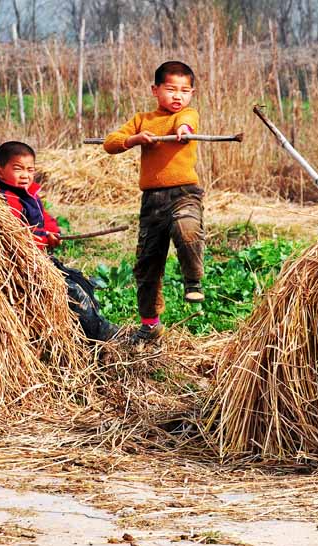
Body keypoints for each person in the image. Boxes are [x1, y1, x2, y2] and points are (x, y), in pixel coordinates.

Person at [103, 60, 205, 344]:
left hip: (184, 193)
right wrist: (135, 139)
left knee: (187, 229)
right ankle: (150, 325)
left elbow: (187, 124)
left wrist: (183, 132)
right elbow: (111, 142)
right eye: (171, 89)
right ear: (155, 90)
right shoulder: (143, 119)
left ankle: (193, 280)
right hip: (152, 202)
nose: (177, 96)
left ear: (191, 94)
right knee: (147, 265)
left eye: (184, 90)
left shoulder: (187, 116)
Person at [0, 141, 119, 342]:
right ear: (0, 172)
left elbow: (45, 218)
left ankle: (93, 327)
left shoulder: (28, 194)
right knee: (71, 290)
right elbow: (15, 234)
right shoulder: (4, 198)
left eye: (30, 170)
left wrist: (53, 232)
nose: (25, 175)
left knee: (81, 281)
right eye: (18, 169)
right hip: (19, 263)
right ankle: (100, 334)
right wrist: (43, 238)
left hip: (38, 257)